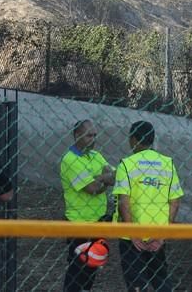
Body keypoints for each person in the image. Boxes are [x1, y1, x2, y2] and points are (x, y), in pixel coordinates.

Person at [114, 121, 184, 292]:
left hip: (131, 238)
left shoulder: (126, 164)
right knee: (160, 279)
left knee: (136, 283)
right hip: (156, 234)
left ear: (134, 140)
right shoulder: (168, 164)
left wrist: (133, 235)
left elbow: (124, 202)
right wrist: (162, 235)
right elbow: (175, 201)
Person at [60, 119, 115, 292]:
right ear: (77, 135)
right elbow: (92, 189)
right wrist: (102, 179)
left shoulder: (95, 155)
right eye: (89, 135)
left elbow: (115, 176)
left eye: (95, 135)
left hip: (98, 221)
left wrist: (101, 179)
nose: (93, 139)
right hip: (79, 224)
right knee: (77, 271)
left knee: (92, 267)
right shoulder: (70, 160)